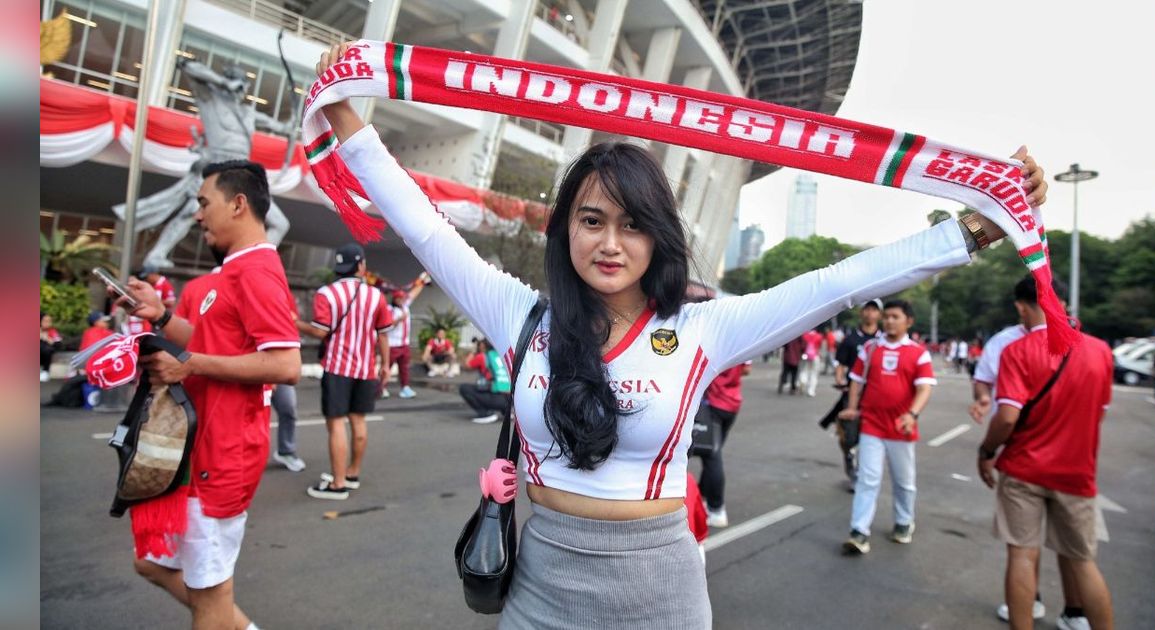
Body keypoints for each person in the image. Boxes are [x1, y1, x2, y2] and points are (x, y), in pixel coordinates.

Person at [315, 40, 1046, 627]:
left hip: (658, 590)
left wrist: (975, 228)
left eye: (633, 225)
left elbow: (837, 285)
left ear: (659, 237)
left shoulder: (701, 327)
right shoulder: (520, 314)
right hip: (538, 583)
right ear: (567, 227)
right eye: (592, 221)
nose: (610, 243)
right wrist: (346, 113)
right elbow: (424, 228)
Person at [120, 159, 301, 630]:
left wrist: (191, 365)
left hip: (222, 455)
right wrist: (160, 316)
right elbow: (203, 341)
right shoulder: (230, 273)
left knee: (209, 595)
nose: (197, 214)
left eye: (204, 203)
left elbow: (286, 364)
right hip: (196, 447)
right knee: (161, 568)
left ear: (238, 204)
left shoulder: (258, 270)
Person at [978, 277, 1114, 630]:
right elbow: (1098, 413)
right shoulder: (1100, 351)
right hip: (1076, 473)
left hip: (1024, 470)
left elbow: (1007, 417)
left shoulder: (1017, 351)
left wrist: (987, 449)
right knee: (1083, 561)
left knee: (1022, 554)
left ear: (1022, 306)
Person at [296, 243, 393, 500]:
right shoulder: (376, 297)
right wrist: (384, 365)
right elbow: (383, 335)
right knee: (359, 422)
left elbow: (320, 331)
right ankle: (351, 474)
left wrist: (294, 323)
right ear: (360, 265)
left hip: (337, 368)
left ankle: (337, 484)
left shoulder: (326, 294)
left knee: (336, 424)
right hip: (365, 369)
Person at [839, 300, 936, 554]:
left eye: (895, 317)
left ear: (909, 321)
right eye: (887, 317)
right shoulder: (870, 349)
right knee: (867, 479)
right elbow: (856, 381)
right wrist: (852, 407)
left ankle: (904, 522)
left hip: (900, 428)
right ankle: (859, 531)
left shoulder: (918, 352)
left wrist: (912, 414)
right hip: (871, 424)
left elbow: (925, 387)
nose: (889, 321)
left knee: (904, 482)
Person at [820, 299, 884, 485]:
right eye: (867, 309)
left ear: (879, 315)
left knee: (870, 435)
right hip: (852, 393)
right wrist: (839, 379)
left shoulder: (883, 339)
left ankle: (863, 472)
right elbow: (841, 364)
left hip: (875, 395)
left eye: (874, 310)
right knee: (848, 435)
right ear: (861, 313)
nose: (870, 313)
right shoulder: (851, 339)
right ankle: (849, 458)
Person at [694, 360, 752, 528]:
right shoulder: (742, 341)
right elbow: (746, 370)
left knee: (712, 457)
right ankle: (703, 498)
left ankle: (716, 507)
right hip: (732, 403)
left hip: (714, 403)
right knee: (711, 453)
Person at [380, 273, 428, 399]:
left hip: (404, 344)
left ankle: (405, 387)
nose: (402, 300)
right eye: (399, 299)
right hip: (392, 344)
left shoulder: (405, 307)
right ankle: (381, 387)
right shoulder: (390, 309)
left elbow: (414, 293)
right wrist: (399, 320)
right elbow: (387, 325)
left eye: (402, 298)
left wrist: (423, 279)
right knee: (387, 367)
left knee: (404, 368)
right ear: (395, 299)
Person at [459, 337, 512, 424]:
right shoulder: (503, 355)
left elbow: (466, 366)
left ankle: (485, 414)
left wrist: (473, 352)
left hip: (497, 399)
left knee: (464, 388)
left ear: (483, 345)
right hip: (511, 400)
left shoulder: (483, 356)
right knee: (498, 383)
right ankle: (507, 412)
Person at [127, 265, 177, 335]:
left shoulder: (165, 284)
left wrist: (154, 302)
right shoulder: (152, 284)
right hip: (152, 319)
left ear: (153, 274)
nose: (146, 279)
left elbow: (171, 302)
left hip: (162, 319)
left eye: (147, 277)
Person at [799, 328, 824, 397]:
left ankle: (803, 380)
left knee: (804, 370)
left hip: (806, 355)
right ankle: (811, 390)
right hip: (815, 355)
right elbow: (820, 346)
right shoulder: (819, 336)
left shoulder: (804, 335)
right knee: (814, 373)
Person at [40, 312, 63, 382]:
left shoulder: (52, 331)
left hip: (46, 353)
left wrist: (47, 339)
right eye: (45, 321)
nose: (48, 323)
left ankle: (45, 372)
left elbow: (58, 344)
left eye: (50, 321)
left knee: (46, 349)